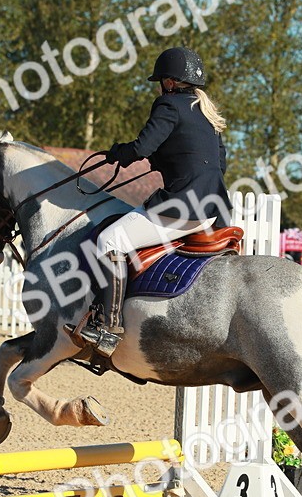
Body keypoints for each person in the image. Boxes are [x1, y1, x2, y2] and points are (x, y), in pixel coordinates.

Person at [74, 46, 231, 359]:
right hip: (214, 211)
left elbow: (142, 147)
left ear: (170, 83)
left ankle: (109, 327)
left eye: (161, 81)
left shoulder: (168, 104)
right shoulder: (206, 113)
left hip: (182, 208)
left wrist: (119, 152)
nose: (160, 87)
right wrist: (166, 163)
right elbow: (218, 163)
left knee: (110, 239)